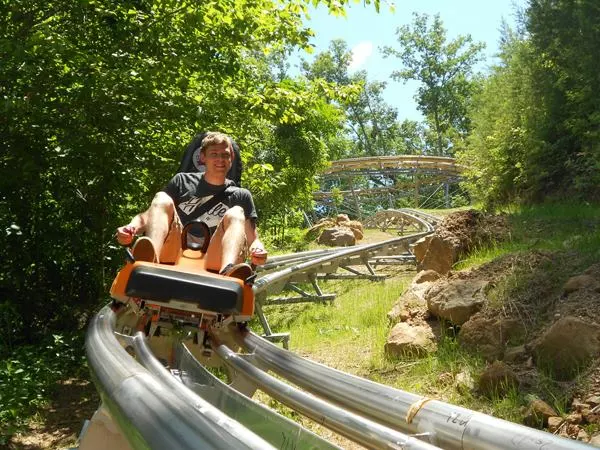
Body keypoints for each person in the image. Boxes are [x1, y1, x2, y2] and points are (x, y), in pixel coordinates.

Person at [116, 132, 267, 280]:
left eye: (225, 155)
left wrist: (258, 250)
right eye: (214, 154)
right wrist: (131, 227)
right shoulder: (181, 181)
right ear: (202, 157)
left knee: (237, 212)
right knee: (162, 198)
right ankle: (149, 260)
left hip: (214, 258)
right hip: (175, 250)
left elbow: (253, 238)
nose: (220, 159)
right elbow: (149, 215)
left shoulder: (241, 195)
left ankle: (228, 272)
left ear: (231, 158)